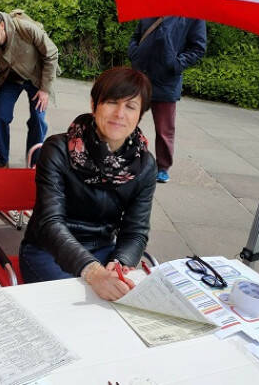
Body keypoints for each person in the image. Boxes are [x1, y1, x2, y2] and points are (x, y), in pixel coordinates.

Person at [19, 67, 157, 301]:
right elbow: (50, 222)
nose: (120, 114)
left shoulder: (144, 166)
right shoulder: (58, 150)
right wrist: (93, 271)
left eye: (131, 106)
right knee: (80, 306)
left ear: (140, 115)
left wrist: (120, 263)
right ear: (94, 105)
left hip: (104, 250)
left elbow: (136, 231)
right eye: (112, 102)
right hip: (48, 250)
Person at [0, 6, 58, 168]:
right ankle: (2, 161)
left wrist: (45, 89)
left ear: (2, 26)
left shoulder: (26, 29)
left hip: (36, 77)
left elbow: (51, 54)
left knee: (38, 120)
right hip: (10, 78)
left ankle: (33, 163)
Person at [128, 17, 207, 183]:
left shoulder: (193, 15)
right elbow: (136, 35)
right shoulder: (152, 5)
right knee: (127, 119)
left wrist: (176, 64)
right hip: (141, 76)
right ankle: (125, 157)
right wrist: (134, 52)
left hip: (166, 81)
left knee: (165, 129)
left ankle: (163, 167)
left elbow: (198, 48)